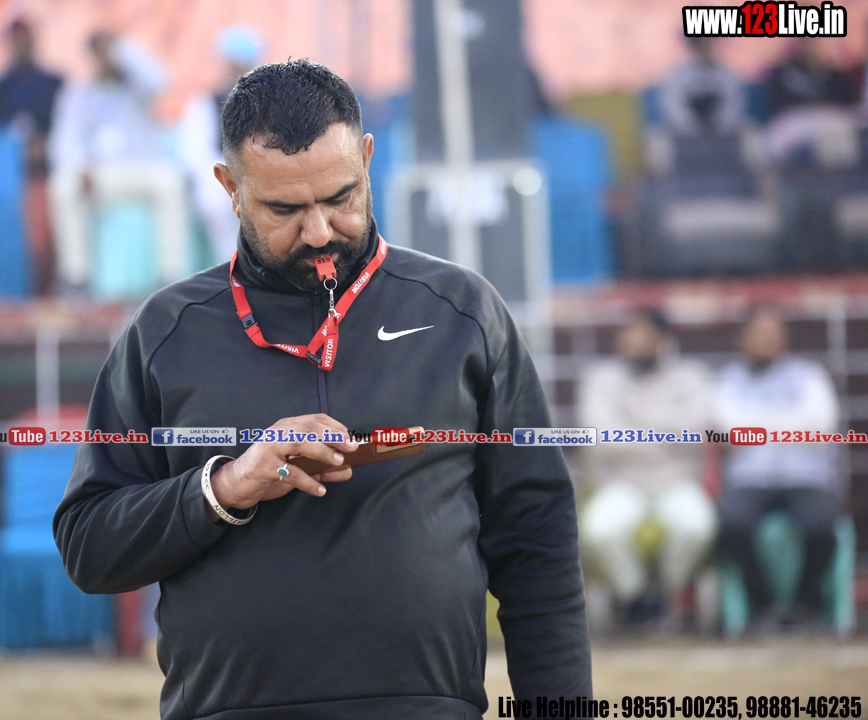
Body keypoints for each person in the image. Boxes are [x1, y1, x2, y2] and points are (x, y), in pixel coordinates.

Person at [53, 60, 591, 718]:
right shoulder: (165, 332)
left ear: (367, 159)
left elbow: (538, 545)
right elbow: (89, 547)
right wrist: (223, 488)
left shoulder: (464, 314)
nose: (318, 231)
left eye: (341, 197)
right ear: (229, 187)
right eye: (284, 209)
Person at [577, 310, 715, 628]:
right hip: (621, 482)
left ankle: (667, 594)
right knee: (600, 530)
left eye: (642, 335)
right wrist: (665, 434)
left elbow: (698, 431)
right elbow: (600, 438)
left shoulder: (691, 377)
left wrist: (633, 431)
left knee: (697, 527)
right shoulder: (601, 380)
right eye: (628, 334)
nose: (633, 342)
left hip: (677, 481)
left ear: (663, 340)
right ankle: (636, 597)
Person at [714, 307, 841, 630]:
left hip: (806, 476)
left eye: (772, 334)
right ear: (742, 339)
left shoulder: (810, 376)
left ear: (785, 339)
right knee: (732, 524)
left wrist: (757, 425)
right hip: (749, 478)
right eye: (758, 334)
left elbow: (820, 427)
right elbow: (729, 432)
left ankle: (805, 605)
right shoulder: (728, 380)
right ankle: (764, 607)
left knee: (820, 527)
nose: (765, 341)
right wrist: (788, 420)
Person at [48, 32, 187, 294]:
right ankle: (76, 277)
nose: (106, 59)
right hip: (99, 175)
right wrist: (79, 167)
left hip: (140, 169)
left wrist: (121, 51)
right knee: (62, 187)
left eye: (110, 51)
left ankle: (170, 275)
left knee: (170, 182)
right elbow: (65, 141)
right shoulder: (79, 94)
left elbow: (161, 79)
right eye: (100, 53)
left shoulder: (138, 88)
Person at [177, 26, 261, 264]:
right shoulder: (204, 102)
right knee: (214, 200)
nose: (238, 72)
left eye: (243, 65)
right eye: (233, 65)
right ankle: (230, 261)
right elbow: (195, 151)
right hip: (219, 171)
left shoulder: (268, 103)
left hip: (259, 171)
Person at [0, 18, 63, 175]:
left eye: (25, 40)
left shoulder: (53, 83)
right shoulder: (1, 88)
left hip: (52, 157)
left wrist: (44, 141)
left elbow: (66, 124)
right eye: (17, 41)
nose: (21, 46)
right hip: (13, 162)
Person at [659, 37, 747, 137]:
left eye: (708, 43)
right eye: (701, 43)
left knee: (750, 135)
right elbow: (673, 105)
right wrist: (689, 124)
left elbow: (733, 103)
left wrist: (720, 122)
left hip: (721, 131)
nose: (705, 47)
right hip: (685, 132)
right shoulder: (678, 73)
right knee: (659, 138)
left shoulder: (726, 72)